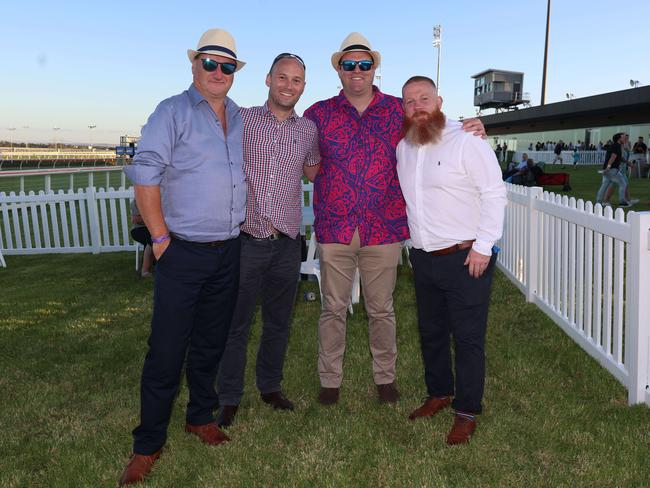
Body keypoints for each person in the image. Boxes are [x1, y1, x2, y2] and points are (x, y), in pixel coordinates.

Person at [303, 32, 486, 406]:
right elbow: (308, 166)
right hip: (336, 227)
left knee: (381, 309)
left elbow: (434, 126)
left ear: (374, 68)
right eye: (349, 64)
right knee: (333, 308)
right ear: (339, 69)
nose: (357, 70)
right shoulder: (317, 114)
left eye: (364, 64)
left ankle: (385, 379)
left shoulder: (395, 110)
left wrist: (474, 128)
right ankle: (329, 381)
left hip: (382, 229)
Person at [119, 28, 246, 486]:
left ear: (235, 73)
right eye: (209, 63)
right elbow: (145, 175)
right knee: (167, 351)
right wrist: (159, 239)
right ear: (194, 66)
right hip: (182, 251)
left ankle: (200, 417)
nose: (217, 72)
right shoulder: (170, 112)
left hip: (228, 249)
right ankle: (148, 443)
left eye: (226, 66)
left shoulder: (238, 116)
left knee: (211, 342)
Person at [396, 75, 506, 445]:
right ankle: (439, 393)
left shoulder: (466, 141)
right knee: (431, 332)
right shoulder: (404, 148)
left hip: (466, 258)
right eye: (410, 102)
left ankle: (467, 410)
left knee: (468, 337)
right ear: (404, 108)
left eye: (424, 98)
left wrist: (484, 246)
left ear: (439, 101)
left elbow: (494, 193)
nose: (418, 106)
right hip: (424, 259)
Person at [215, 52, 320, 427]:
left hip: (288, 242)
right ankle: (228, 397)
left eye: (296, 80)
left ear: (303, 87)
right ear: (268, 79)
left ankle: (270, 386)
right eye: (283, 77)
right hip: (247, 239)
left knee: (278, 322)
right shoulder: (242, 119)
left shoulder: (308, 130)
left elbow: (312, 169)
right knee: (236, 324)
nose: (288, 85)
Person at [596, 132, 631, 207]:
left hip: (609, 170)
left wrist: (628, 163)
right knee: (623, 183)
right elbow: (613, 157)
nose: (624, 138)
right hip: (612, 170)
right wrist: (608, 168)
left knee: (604, 186)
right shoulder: (616, 146)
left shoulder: (615, 146)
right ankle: (622, 202)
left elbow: (619, 158)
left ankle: (598, 202)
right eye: (623, 137)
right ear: (619, 139)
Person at [130, 199, 155, 277]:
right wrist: (154, 219)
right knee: (152, 238)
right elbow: (136, 219)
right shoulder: (136, 201)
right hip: (139, 229)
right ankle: (145, 270)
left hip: (154, 228)